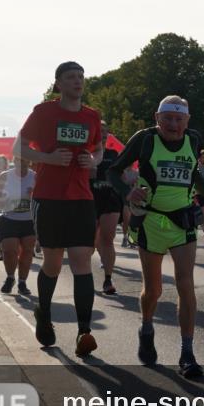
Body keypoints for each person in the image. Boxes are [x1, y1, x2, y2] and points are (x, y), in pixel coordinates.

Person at [107, 96, 204, 378]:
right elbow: (113, 171)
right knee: (154, 289)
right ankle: (147, 326)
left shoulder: (193, 140)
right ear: (157, 118)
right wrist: (127, 192)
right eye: (167, 118)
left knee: (186, 285)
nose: (173, 124)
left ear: (187, 120)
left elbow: (192, 172)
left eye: (178, 119)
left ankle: (187, 353)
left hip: (182, 220)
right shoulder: (145, 140)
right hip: (151, 221)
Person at [13, 61, 103, 357]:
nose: (77, 81)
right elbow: (19, 148)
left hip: (81, 198)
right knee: (52, 262)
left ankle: (84, 331)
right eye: (70, 77)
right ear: (59, 83)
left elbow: (98, 148)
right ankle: (44, 313)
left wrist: (94, 160)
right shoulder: (44, 112)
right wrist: (48, 159)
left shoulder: (92, 116)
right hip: (49, 197)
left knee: (81, 261)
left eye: (81, 76)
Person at [0, 156, 37, 295]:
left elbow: (43, 196)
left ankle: (22, 282)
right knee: (9, 251)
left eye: (24, 160)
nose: (21, 163)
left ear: (29, 161)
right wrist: (5, 202)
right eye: (19, 160)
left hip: (29, 220)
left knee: (28, 251)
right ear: (14, 161)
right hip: (9, 219)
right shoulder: (4, 177)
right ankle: (10, 277)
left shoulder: (35, 177)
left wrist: (33, 196)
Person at [91, 122, 123, 295]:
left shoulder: (113, 154)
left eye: (105, 131)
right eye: (99, 131)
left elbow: (121, 176)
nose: (103, 134)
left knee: (107, 238)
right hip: (90, 199)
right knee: (89, 243)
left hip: (110, 199)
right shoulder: (86, 154)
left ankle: (108, 279)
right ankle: (84, 276)